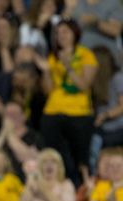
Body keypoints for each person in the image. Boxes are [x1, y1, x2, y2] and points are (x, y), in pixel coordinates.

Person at [39, 18, 98, 186]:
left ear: (75, 33)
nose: (60, 36)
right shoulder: (53, 57)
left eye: (65, 32)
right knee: (55, 153)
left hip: (79, 112)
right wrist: (46, 72)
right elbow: (48, 91)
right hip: (53, 110)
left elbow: (84, 85)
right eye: (57, 33)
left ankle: (82, 187)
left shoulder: (86, 55)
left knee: (81, 156)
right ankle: (60, 184)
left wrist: (68, 66)